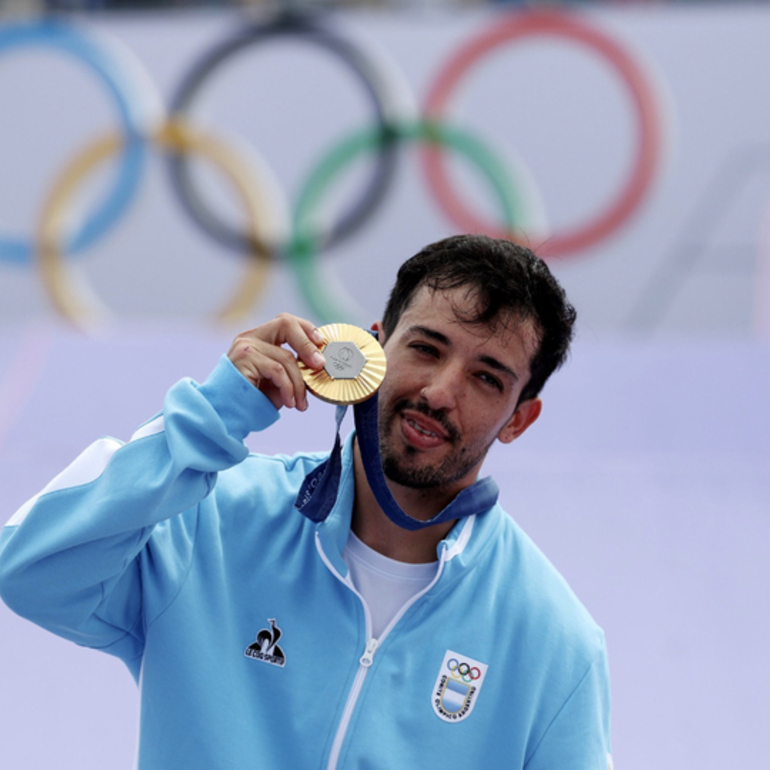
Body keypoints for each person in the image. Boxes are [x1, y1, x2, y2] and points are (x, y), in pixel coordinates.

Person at [0, 235, 612, 769]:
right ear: (373, 349)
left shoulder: (553, 643)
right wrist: (210, 419)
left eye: (486, 377)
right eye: (425, 348)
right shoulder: (210, 520)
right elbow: (29, 570)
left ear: (519, 420)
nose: (438, 391)